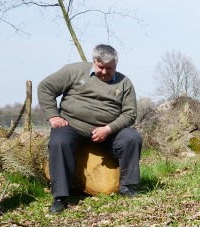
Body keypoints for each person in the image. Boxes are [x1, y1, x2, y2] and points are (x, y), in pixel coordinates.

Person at [38, 44, 142, 213]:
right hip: (72, 125)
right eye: (100, 67)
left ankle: (127, 186)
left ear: (116, 64)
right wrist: (53, 116)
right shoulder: (74, 71)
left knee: (132, 137)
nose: (104, 72)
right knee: (59, 142)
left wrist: (108, 129)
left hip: (109, 131)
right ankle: (60, 197)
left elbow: (130, 113)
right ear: (94, 61)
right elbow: (45, 87)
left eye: (109, 68)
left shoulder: (124, 83)